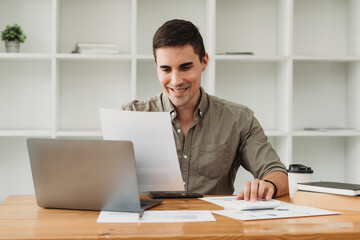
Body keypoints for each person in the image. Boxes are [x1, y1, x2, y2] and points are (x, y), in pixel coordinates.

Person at [122, 19, 289, 201]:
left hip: (215, 226)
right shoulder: (130, 115)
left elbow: (277, 173)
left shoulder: (239, 119)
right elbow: (110, 182)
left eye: (185, 67)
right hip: (151, 226)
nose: (176, 80)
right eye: (166, 69)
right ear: (156, 66)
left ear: (204, 61)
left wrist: (267, 184)